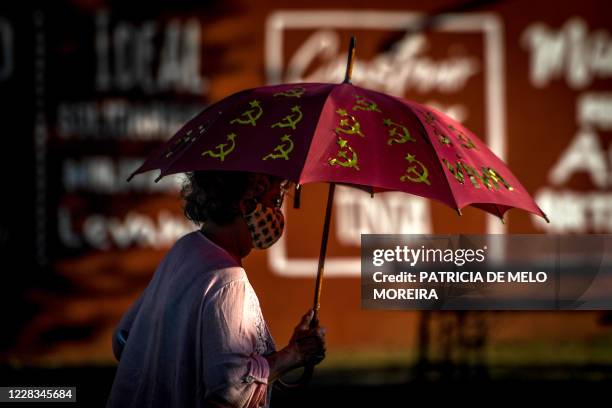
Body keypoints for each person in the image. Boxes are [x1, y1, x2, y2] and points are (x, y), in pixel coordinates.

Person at [106, 171, 326, 408]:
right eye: (274, 201)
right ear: (246, 203)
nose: (277, 214)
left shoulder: (184, 249)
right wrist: (293, 355)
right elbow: (230, 389)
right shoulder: (230, 281)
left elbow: (124, 339)